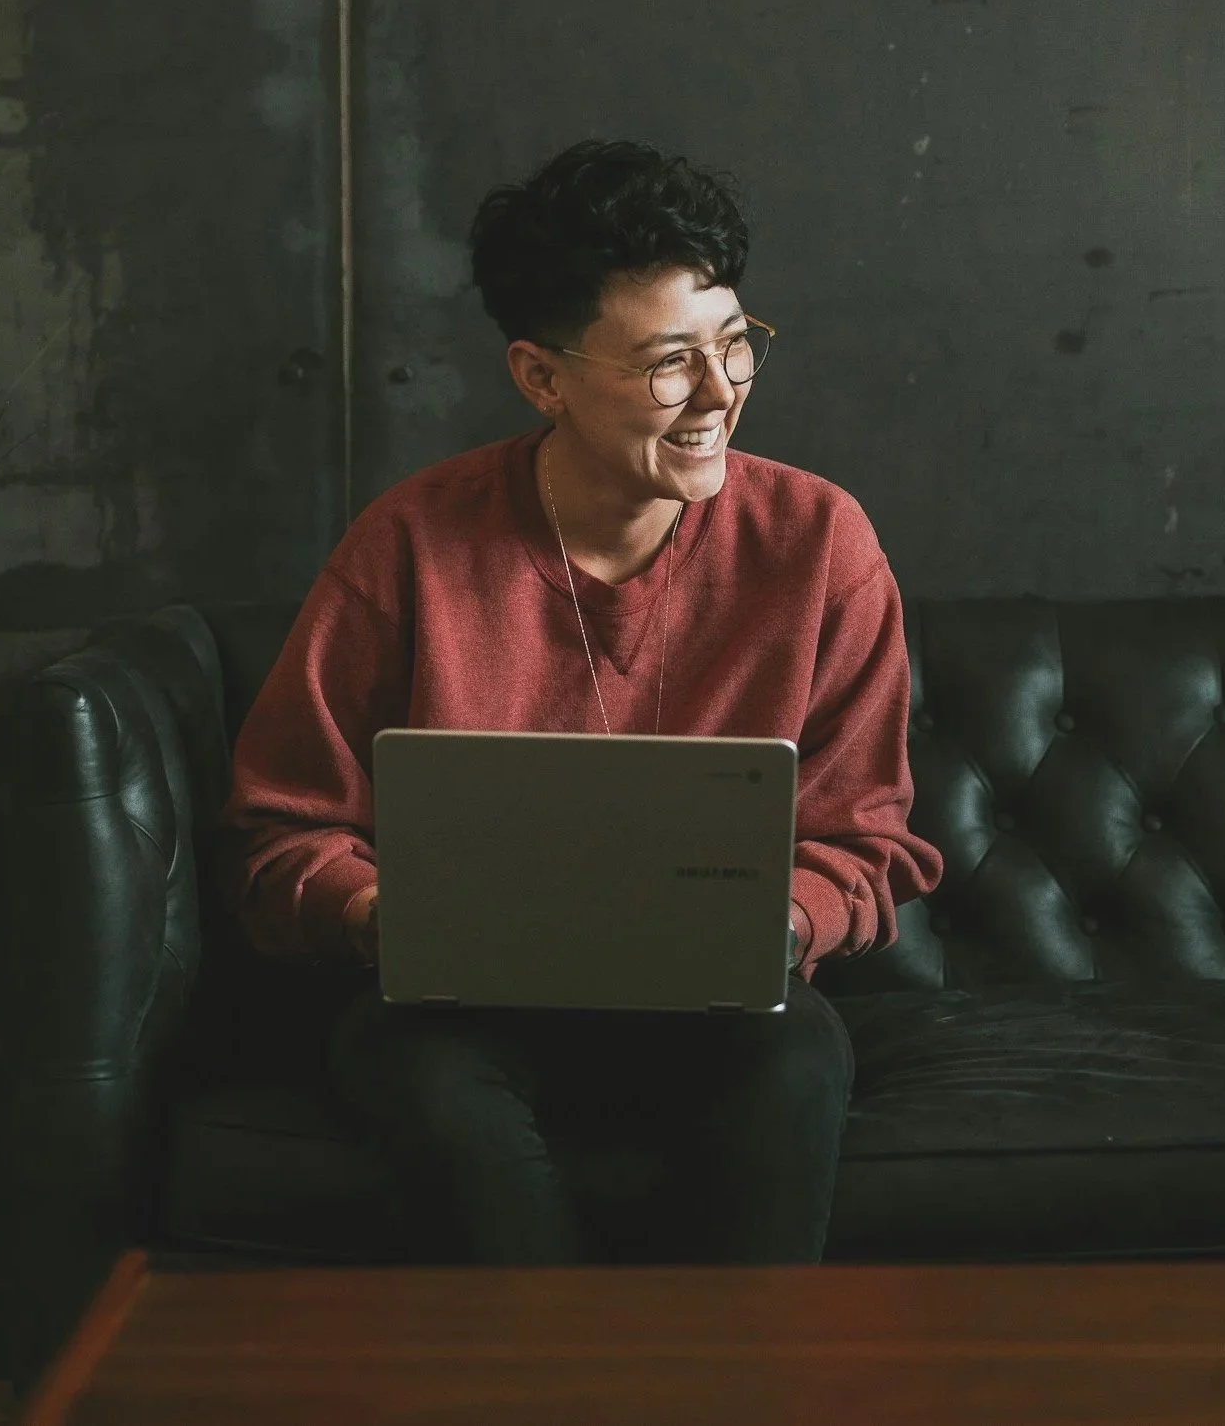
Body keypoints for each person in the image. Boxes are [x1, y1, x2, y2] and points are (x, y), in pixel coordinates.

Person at [222, 139, 942, 1264]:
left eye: (734, 343)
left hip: (724, 1010)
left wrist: (783, 919)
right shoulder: (412, 541)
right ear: (541, 376)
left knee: (796, 1063)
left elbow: (865, 835)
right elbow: (283, 829)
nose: (717, 392)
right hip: (459, 1007)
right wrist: (378, 915)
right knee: (423, 1080)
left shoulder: (817, 542)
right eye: (668, 362)